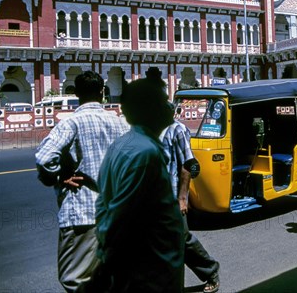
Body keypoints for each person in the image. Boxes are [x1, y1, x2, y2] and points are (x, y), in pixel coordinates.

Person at [35, 71, 129, 292]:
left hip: (83, 212)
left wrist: (58, 176)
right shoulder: (120, 124)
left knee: (74, 278)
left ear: (76, 93)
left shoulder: (71, 123)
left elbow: (44, 157)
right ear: (102, 93)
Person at [93, 79, 184, 291]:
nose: (170, 106)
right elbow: (121, 215)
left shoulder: (122, 144)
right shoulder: (146, 154)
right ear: (150, 109)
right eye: (164, 101)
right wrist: (105, 264)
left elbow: (102, 203)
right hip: (150, 271)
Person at [160, 104, 221, 293]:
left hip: (172, 196)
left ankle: (210, 271)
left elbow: (187, 164)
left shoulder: (177, 130)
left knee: (182, 237)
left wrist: (182, 198)